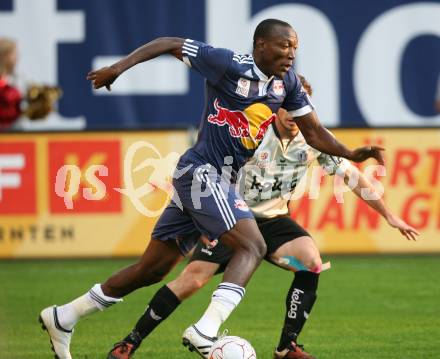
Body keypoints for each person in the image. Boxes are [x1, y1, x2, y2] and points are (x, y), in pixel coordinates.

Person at [39, 19, 385, 359]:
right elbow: (169, 42)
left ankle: (64, 316)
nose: (291, 53)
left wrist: (352, 153)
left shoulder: (287, 84)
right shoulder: (228, 64)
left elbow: (314, 133)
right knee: (253, 245)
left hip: (218, 182)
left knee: (152, 270)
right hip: (201, 171)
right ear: (261, 45)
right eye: (285, 45)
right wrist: (118, 67)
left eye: (295, 47)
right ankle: (206, 331)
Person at [105, 76, 418, 359]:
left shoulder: (313, 140)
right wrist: (202, 219)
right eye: (290, 110)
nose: (295, 117)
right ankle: (130, 341)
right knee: (191, 280)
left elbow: (353, 177)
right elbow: (208, 175)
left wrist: (390, 216)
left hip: (273, 222)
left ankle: (287, 347)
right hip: (231, 219)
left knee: (311, 261)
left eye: (301, 112)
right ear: (278, 107)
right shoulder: (250, 133)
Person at [0, 38, 21, 129]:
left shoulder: (17, 78)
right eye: (15, 54)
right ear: (6, 56)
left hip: (15, 130)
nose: (17, 57)